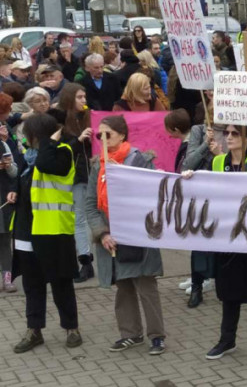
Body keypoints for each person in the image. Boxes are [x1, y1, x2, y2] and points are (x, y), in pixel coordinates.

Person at [183, 124, 247, 361]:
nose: (228, 137)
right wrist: (191, 177)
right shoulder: (218, 163)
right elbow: (202, 186)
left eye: (235, 133)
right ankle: (227, 340)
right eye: (227, 133)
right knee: (229, 293)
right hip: (228, 239)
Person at [84, 115, 166, 355]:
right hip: (111, 237)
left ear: (121, 134)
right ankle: (130, 334)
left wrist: (126, 177)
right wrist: (102, 234)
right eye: (100, 135)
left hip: (136, 234)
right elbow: (90, 204)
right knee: (123, 287)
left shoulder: (139, 159)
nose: (102, 139)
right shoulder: (98, 165)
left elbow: (151, 195)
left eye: (107, 134)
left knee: (146, 286)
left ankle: (157, 336)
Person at [9, 113, 82, 353]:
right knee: (33, 285)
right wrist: (15, 192)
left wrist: (50, 140)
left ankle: (71, 327)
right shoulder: (28, 157)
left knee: (61, 282)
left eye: (27, 133)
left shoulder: (61, 151)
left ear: (37, 134)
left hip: (53, 230)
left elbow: (45, 166)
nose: (23, 137)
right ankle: (34, 330)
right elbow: (27, 181)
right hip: (26, 230)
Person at [164, 109, 215, 308]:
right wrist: (205, 144)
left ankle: (213, 279)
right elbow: (188, 162)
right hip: (199, 194)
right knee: (198, 239)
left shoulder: (234, 132)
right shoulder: (198, 131)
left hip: (220, 194)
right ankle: (197, 286)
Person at [57, 83, 94, 284]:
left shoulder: (89, 117)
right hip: (76, 176)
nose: (84, 101)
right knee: (79, 219)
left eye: (85, 97)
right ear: (70, 99)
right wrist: (79, 139)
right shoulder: (62, 121)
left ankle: (93, 260)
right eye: (80, 97)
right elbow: (62, 151)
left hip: (92, 174)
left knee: (90, 218)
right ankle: (85, 261)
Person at [0, 93, 16, 293]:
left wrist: (8, 165)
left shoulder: (3, 144)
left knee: (5, 240)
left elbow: (14, 172)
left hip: (2, 198)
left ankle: (7, 278)